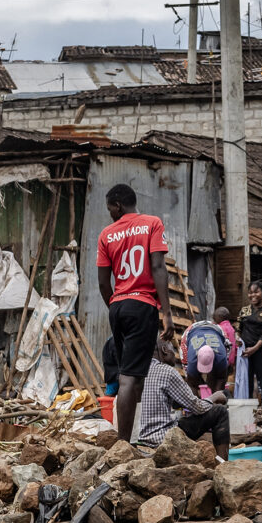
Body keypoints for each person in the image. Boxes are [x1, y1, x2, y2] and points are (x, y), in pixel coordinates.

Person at [95, 182, 171, 443]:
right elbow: (158, 267)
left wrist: (116, 307)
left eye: (110, 209)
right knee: (129, 377)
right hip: (142, 305)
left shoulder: (107, 234)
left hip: (117, 305)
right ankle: (124, 444)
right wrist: (167, 313)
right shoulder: (152, 224)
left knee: (134, 375)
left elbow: (104, 283)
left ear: (118, 205)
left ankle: (135, 436)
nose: (110, 214)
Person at [132, 334, 230, 455]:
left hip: (138, 441)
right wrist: (215, 396)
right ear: (164, 350)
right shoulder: (167, 372)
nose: (175, 355)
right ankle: (222, 464)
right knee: (220, 411)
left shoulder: (134, 370)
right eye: (173, 349)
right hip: (164, 440)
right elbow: (198, 407)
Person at [233, 281, 262, 400]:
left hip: (260, 351)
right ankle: (248, 412)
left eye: (256, 292)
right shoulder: (244, 310)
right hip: (244, 352)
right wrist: (237, 338)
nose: (252, 295)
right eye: (250, 292)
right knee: (245, 383)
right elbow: (238, 328)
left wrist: (254, 349)